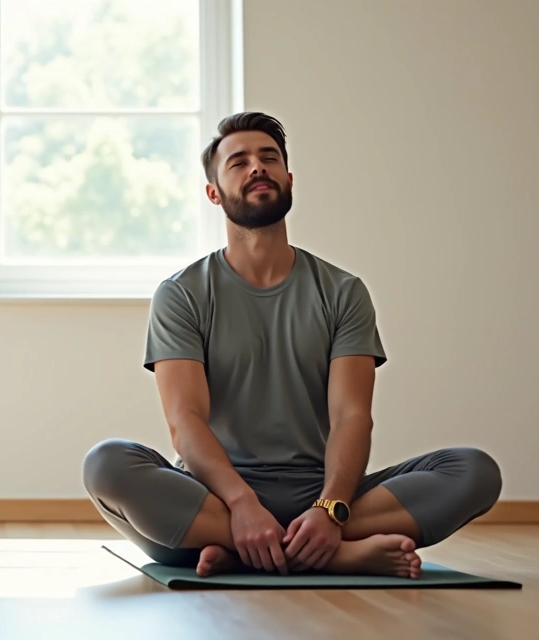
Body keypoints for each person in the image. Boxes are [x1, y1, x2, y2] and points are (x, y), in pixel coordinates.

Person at [81, 112, 502, 579]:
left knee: (474, 471)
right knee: (106, 464)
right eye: (239, 162)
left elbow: (351, 416)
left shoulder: (342, 292)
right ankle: (332, 554)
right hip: (214, 495)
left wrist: (330, 509)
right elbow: (185, 421)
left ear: (289, 179)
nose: (257, 167)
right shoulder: (182, 294)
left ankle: (253, 550)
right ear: (213, 193)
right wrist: (242, 504)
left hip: (319, 494)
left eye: (269, 158)